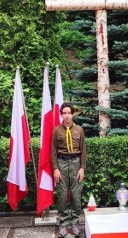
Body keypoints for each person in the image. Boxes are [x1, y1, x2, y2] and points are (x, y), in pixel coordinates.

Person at [51, 102, 87, 238]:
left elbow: (83, 150)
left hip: (75, 163)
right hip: (61, 163)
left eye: (69, 113)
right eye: (64, 113)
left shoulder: (79, 130)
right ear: (61, 114)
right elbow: (53, 151)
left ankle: (75, 223)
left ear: (72, 114)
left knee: (76, 195)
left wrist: (82, 168)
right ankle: (64, 224)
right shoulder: (57, 130)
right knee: (61, 195)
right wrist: (55, 168)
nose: (67, 115)